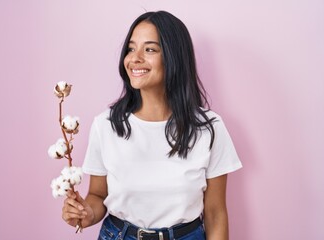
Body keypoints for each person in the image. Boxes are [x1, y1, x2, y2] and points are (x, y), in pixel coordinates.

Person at [62, 10, 242, 240]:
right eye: (131, 48)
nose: (134, 58)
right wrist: (85, 213)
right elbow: (97, 195)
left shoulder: (209, 128)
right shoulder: (106, 125)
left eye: (150, 49)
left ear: (174, 56)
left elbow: (215, 213)